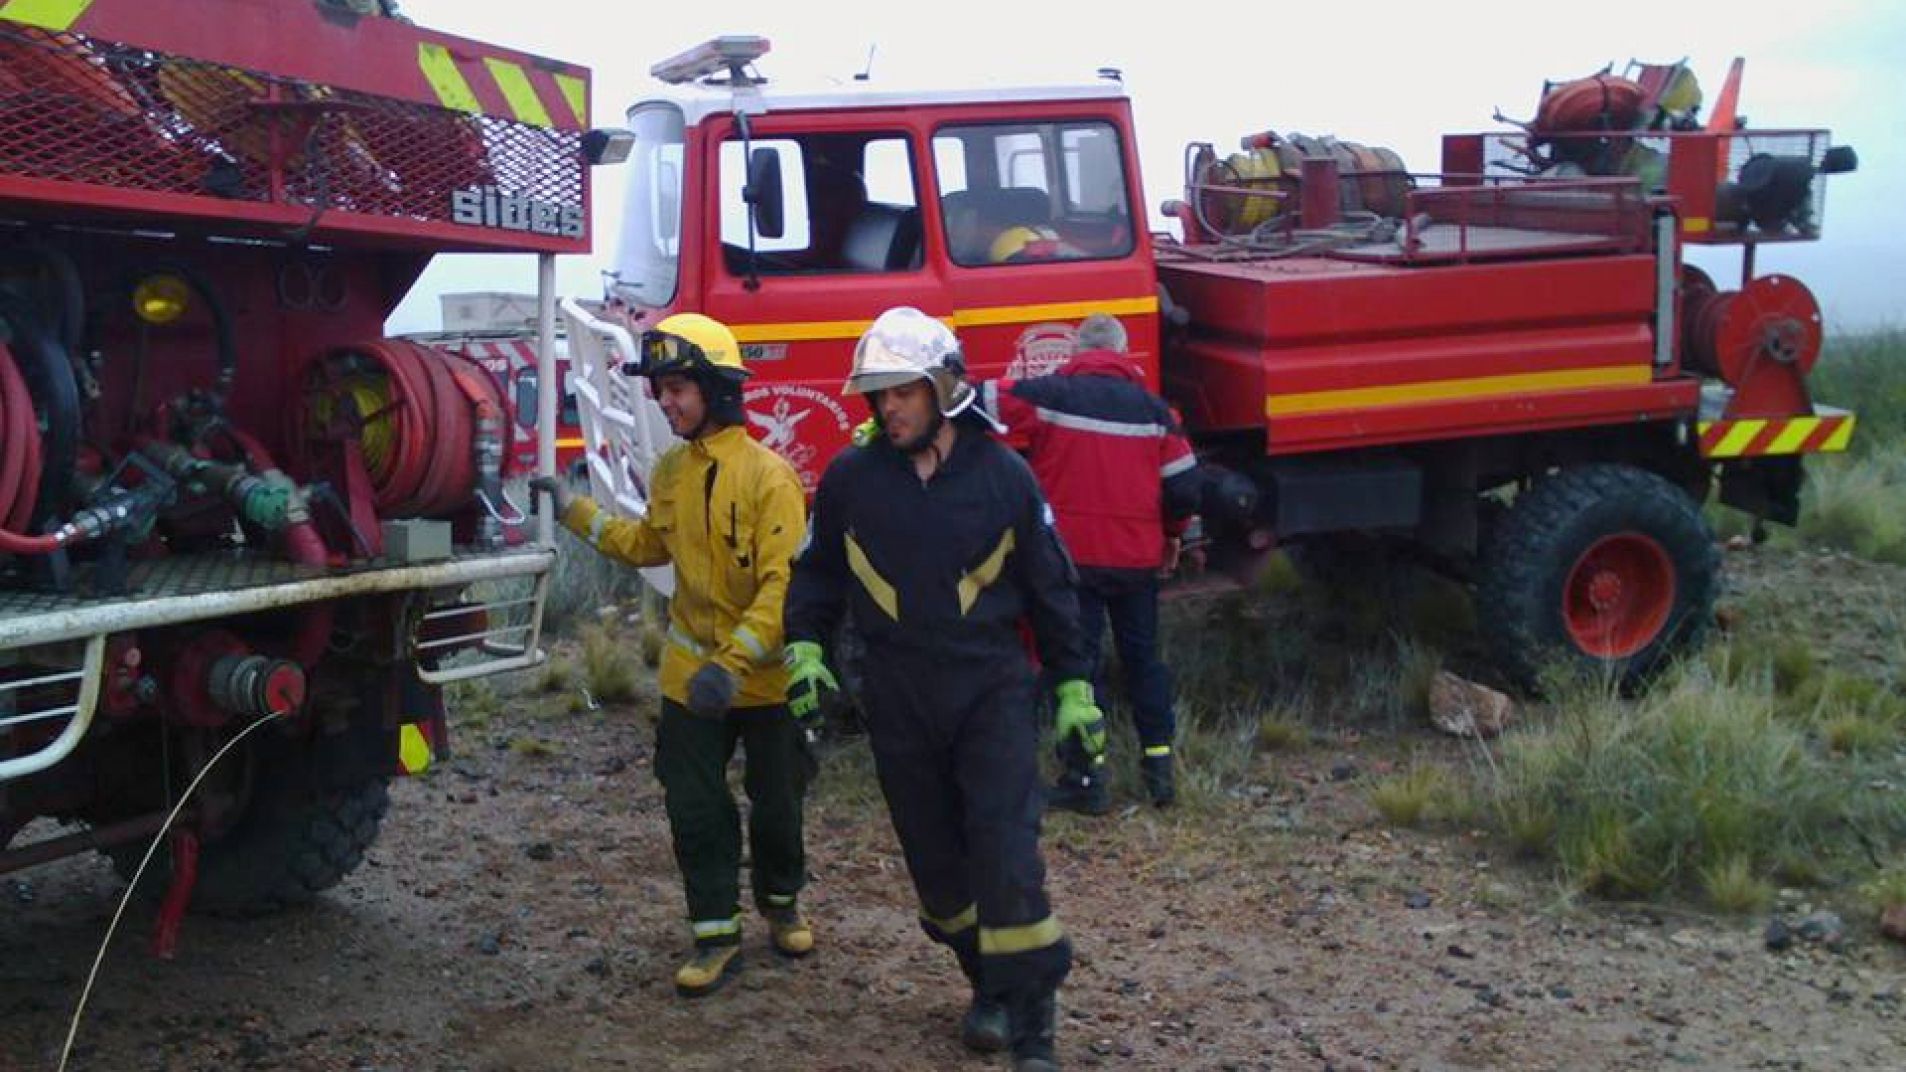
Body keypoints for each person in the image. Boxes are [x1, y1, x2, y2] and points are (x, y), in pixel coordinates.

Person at [783, 307, 1102, 1072]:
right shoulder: (852, 481)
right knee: (940, 879)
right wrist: (804, 643)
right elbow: (819, 571)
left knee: (1006, 863)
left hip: (989, 692)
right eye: (877, 395)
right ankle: (985, 983)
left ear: (943, 387)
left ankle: (1034, 1030)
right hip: (896, 697)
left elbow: (1053, 588)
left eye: (902, 392)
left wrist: (1074, 690)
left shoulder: (1005, 478)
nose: (887, 407)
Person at [530, 313, 810, 999]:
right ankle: (715, 935)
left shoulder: (771, 478)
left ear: (717, 388)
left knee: (778, 807)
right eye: (660, 389)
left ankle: (782, 902)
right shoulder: (672, 472)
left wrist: (734, 665)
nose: (665, 401)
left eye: (678, 386)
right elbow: (649, 546)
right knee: (694, 807)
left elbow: (780, 590)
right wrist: (575, 513)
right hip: (691, 680)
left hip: (763, 682)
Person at [983, 312, 1200, 812]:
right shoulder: (1155, 412)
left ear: (1078, 353)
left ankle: (1086, 780)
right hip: (1135, 561)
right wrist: (1170, 536)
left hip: (1071, 563)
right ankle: (1160, 771)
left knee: (1076, 666)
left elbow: (980, 399)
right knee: (1143, 661)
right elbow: (1185, 488)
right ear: (1122, 354)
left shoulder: (1052, 395)